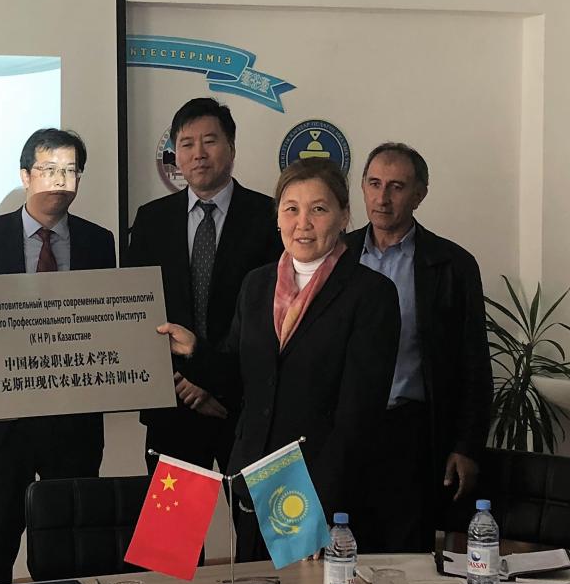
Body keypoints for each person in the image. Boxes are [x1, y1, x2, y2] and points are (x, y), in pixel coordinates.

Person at [160, 158, 400, 561]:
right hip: (255, 477)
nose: (302, 223)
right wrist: (194, 352)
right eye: (291, 209)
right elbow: (240, 379)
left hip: (314, 489)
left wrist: (321, 508)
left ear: (344, 216)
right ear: (277, 217)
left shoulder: (371, 294)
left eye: (318, 209)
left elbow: (357, 417)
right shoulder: (257, 284)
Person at [0, 128, 116, 584]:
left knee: (70, 547)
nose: (59, 180)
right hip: (3, 424)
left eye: (70, 171)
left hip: (74, 423)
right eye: (48, 170)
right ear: (25, 176)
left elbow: (110, 320)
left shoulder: (98, 241)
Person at [345, 142, 492, 553]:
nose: (382, 197)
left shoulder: (452, 265)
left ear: (419, 194)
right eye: (374, 183)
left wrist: (466, 446)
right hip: (347, 431)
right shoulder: (337, 256)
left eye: (396, 186)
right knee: (344, 548)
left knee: (406, 555)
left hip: (411, 432)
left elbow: (474, 363)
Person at [126, 97, 280, 473]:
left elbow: (272, 317)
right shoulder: (151, 221)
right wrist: (185, 381)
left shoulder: (269, 218)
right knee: (174, 514)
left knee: (253, 511)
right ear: (176, 155)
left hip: (242, 405)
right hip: (173, 404)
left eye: (210, 141)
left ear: (231, 147)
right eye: (187, 144)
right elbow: (136, 312)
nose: (198, 153)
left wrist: (213, 382)